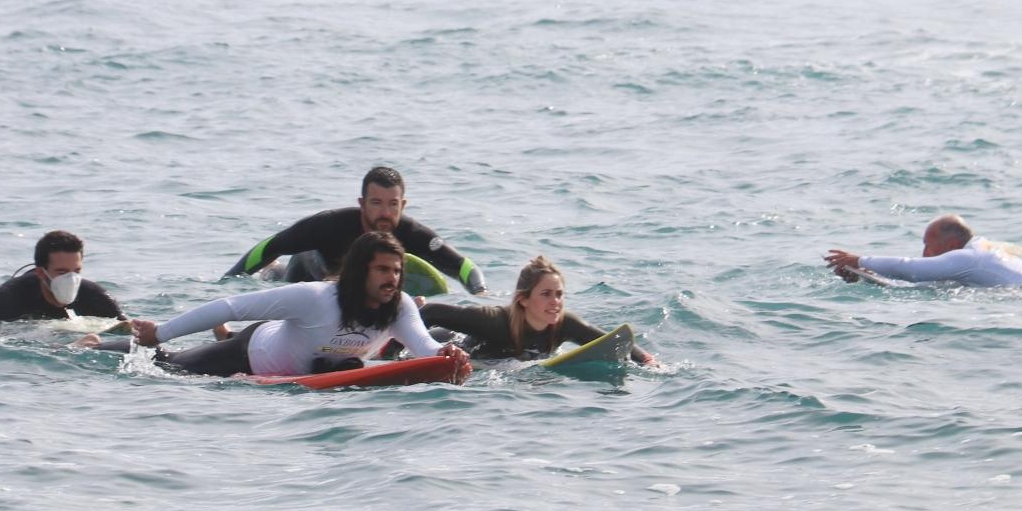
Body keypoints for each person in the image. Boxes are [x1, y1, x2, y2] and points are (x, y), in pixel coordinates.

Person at [133, 230, 472, 381]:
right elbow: (231, 305)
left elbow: (424, 347)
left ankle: (223, 335)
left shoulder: (397, 307)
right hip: (247, 356)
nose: (392, 279)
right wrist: (159, 333)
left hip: (318, 369)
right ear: (360, 271)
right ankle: (114, 343)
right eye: (383, 270)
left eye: (397, 271)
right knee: (167, 364)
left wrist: (447, 354)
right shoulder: (316, 298)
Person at [224, 165, 488, 295]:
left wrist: (479, 293)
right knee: (291, 268)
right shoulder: (330, 224)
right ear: (362, 204)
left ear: (403, 205)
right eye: (376, 203)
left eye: (393, 204)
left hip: (362, 293)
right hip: (307, 274)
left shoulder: (412, 233)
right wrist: (229, 280)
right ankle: (274, 272)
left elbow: (463, 266)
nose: (385, 213)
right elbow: (270, 247)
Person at [419, 255, 656, 364]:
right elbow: (430, 313)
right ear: (523, 299)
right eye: (546, 294)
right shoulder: (493, 320)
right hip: (447, 341)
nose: (556, 302)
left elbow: (613, 341)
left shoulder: (564, 324)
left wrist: (647, 360)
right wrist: (404, 349)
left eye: (559, 294)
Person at [0, 230, 125, 322]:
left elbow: (126, 327)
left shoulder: (94, 294)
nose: (71, 279)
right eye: (61, 272)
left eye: (76, 271)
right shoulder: (10, 296)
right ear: (40, 272)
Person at [825, 215, 1022, 287]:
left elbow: (910, 269)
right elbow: (917, 284)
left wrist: (860, 260)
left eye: (928, 245)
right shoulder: (982, 252)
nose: (924, 253)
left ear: (951, 244)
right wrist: (866, 276)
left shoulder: (967, 258)